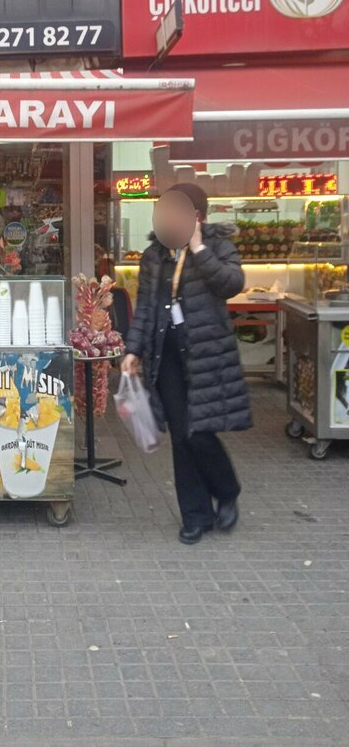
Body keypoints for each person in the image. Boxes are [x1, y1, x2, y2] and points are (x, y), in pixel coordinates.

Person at [121, 182, 251, 545]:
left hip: (207, 356)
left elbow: (231, 283)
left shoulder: (219, 247)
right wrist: (133, 350)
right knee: (181, 436)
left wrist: (199, 249)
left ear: (198, 217)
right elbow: (145, 307)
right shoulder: (154, 256)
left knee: (200, 432)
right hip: (167, 358)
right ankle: (196, 515)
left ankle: (227, 490)